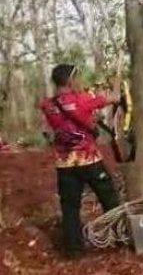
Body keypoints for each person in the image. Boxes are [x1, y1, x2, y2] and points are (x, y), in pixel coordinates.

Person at [39, 64, 121, 259]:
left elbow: (63, 118)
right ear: (69, 81)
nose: (79, 82)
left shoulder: (47, 105)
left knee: (70, 207)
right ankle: (119, 238)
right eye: (77, 78)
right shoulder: (82, 99)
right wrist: (115, 91)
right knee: (109, 198)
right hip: (89, 160)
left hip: (65, 165)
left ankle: (74, 251)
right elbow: (113, 99)